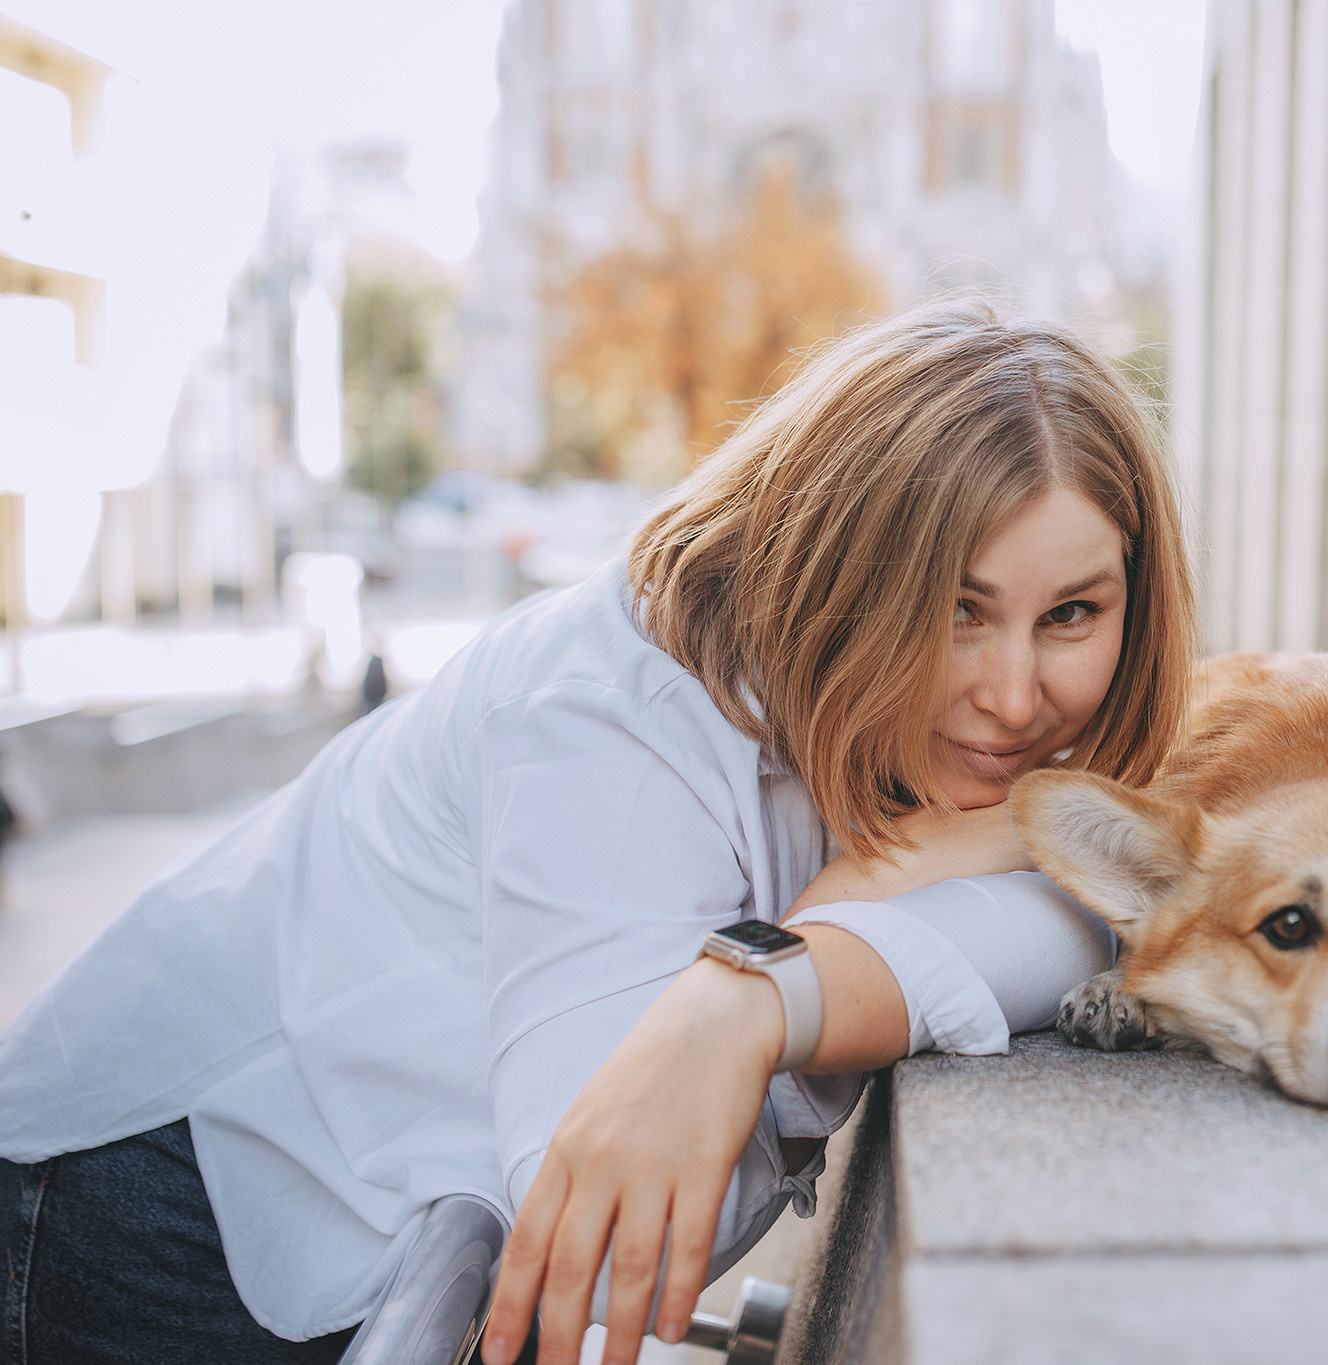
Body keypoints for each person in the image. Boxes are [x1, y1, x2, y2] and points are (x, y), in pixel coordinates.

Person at [0, 300, 1196, 1365]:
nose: (1013, 697)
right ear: (849, 576)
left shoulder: (933, 751)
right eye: (957, 609)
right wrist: (818, 939)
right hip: (172, 1210)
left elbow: (1104, 918)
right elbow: (605, 1244)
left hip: (372, 1234)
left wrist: (760, 993)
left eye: (1070, 614)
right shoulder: (611, 718)